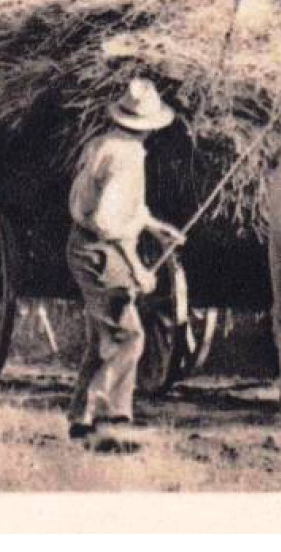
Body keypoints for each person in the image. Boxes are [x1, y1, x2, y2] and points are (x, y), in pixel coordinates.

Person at [65, 78, 184, 441]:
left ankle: (86, 420)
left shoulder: (103, 144)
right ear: (150, 126)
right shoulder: (128, 157)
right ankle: (107, 420)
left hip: (85, 246)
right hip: (102, 253)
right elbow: (106, 222)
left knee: (104, 339)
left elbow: (127, 207)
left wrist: (156, 227)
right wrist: (137, 268)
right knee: (128, 337)